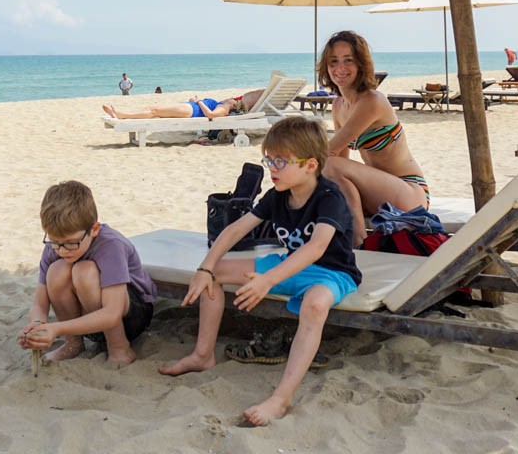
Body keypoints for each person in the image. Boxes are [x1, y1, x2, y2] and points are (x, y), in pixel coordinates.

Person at [159, 116, 360, 425]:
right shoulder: (277, 195)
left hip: (331, 272)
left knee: (316, 304)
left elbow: (317, 247)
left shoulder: (329, 198)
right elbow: (234, 230)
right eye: (269, 159)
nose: (272, 168)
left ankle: (281, 399)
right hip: (288, 266)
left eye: (281, 161)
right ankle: (203, 355)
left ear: (310, 165)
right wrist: (205, 268)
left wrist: (268, 280)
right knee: (214, 274)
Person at [18, 180, 157, 368]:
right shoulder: (55, 246)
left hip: (131, 316)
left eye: (71, 242)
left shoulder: (111, 245)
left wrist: (57, 328)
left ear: (94, 229)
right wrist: (36, 325)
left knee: (84, 271)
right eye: (55, 241)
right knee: (56, 271)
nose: (62, 250)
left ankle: (119, 347)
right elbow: (39, 303)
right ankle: (73, 344)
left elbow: (112, 313)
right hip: (91, 320)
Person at [318, 31, 428, 247]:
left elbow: (329, 151)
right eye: (333, 61)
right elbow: (339, 160)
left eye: (348, 60)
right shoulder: (339, 105)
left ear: (361, 64)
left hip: (410, 192)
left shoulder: (372, 100)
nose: (340, 68)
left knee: (328, 165)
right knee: (330, 178)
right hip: (378, 192)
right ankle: (349, 243)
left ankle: (358, 241)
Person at [103, 88, 261, 120]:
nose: (234, 98)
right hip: (192, 107)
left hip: (192, 110)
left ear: (234, 105)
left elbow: (211, 115)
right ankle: (122, 113)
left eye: (235, 100)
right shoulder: (227, 104)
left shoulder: (225, 108)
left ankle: (122, 115)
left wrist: (199, 101)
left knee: (155, 110)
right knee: (152, 109)